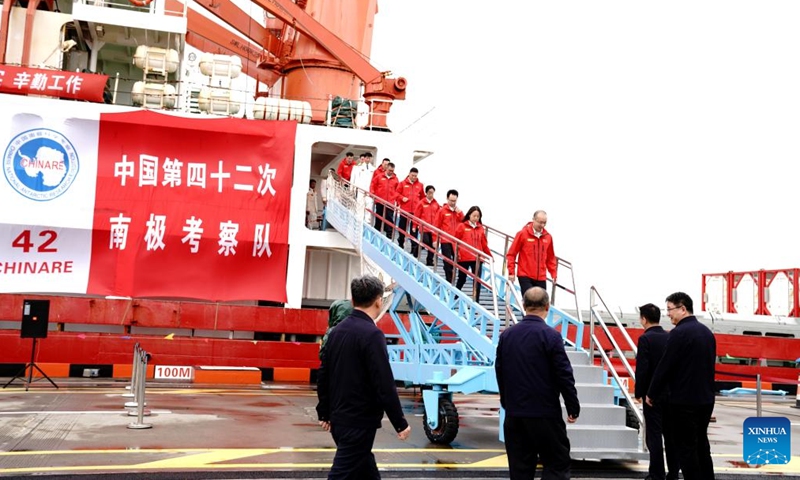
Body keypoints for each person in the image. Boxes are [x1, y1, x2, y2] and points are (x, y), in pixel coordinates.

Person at [316, 275, 412, 479]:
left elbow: (324, 373)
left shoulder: (336, 332)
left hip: (339, 419)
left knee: (365, 469)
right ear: (379, 301)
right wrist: (400, 422)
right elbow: (383, 382)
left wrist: (324, 411)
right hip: (358, 422)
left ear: (352, 301)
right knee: (341, 474)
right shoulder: (372, 335)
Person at [496, 287, 580, 480]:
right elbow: (564, 374)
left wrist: (506, 403)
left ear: (523, 306)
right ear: (548, 307)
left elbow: (499, 371)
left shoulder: (506, 336)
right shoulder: (551, 336)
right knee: (556, 463)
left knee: (520, 470)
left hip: (515, 414)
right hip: (545, 415)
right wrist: (572, 406)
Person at [647, 292, 716, 480]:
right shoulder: (707, 333)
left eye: (670, 309)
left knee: (686, 449)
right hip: (706, 400)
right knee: (702, 445)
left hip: (684, 401)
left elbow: (665, 366)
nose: (668, 314)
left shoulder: (678, 333)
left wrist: (651, 392)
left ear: (682, 308)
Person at [635, 303, 679, 480]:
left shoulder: (645, 339)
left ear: (644, 319)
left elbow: (643, 369)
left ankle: (656, 473)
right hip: (671, 395)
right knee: (671, 435)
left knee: (654, 436)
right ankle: (674, 472)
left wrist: (639, 392)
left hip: (651, 396)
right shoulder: (669, 337)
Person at [506, 210, 557, 295]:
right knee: (530, 300)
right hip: (525, 275)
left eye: (545, 223)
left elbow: (550, 257)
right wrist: (511, 272)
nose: (542, 225)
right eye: (540, 222)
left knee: (540, 305)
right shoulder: (522, 234)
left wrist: (553, 274)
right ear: (533, 219)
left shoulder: (548, 237)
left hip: (541, 277)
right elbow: (511, 254)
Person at [454, 206, 491, 300]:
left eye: (478, 216)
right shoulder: (462, 226)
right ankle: (454, 296)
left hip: (477, 258)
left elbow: (484, 243)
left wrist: (489, 255)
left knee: (477, 281)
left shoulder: (480, 228)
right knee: (462, 278)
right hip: (464, 257)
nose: (475, 218)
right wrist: (457, 253)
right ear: (469, 215)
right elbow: (455, 241)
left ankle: (476, 301)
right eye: (474, 216)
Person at [434, 189, 463, 284]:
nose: (453, 203)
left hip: (456, 241)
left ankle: (455, 279)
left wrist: (460, 213)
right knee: (448, 261)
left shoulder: (458, 212)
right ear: (447, 199)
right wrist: (435, 239)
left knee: (458, 262)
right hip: (445, 240)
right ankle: (449, 281)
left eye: (454, 201)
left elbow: (464, 223)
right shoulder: (442, 211)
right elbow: (436, 226)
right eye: (451, 200)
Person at [395, 167, 425, 254]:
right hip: (405, 210)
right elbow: (396, 193)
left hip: (415, 212)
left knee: (414, 230)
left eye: (415, 176)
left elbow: (422, 197)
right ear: (409, 174)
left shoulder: (420, 185)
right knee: (402, 228)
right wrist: (402, 198)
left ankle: (414, 248)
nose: (414, 177)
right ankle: (401, 243)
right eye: (412, 175)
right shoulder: (402, 183)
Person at [413, 185, 440, 266]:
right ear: (426, 193)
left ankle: (429, 260)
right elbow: (416, 215)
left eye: (432, 193)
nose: (431, 194)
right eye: (429, 193)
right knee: (425, 242)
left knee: (433, 245)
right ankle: (416, 251)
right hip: (424, 227)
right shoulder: (421, 203)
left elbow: (439, 216)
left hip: (433, 228)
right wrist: (414, 225)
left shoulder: (436, 204)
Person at [369, 161, 398, 237]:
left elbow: (397, 190)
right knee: (378, 219)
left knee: (389, 220)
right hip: (380, 201)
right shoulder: (379, 177)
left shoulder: (395, 179)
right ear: (386, 169)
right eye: (389, 170)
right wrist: (372, 194)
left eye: (392, 171)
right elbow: (372, 185)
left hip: (390, 203)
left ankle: (389, 237)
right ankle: (375, 235)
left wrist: (395, 200)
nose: (391, 172)